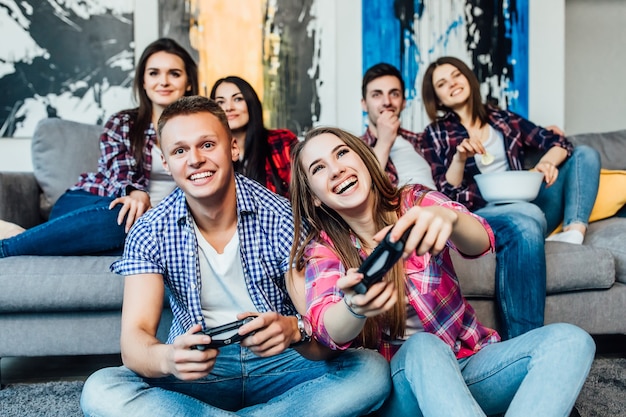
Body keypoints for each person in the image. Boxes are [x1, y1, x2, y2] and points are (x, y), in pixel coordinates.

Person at [79, 96, 390, 417]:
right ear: (165, 160)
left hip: (281, 360)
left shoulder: (281, 217)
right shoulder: (149, 230)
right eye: (180, 150)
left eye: (208, 145)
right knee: (102, 389)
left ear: (233, 148)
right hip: (201, 368)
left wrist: (294, 329)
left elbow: (319, 334)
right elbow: (134, 342)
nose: (195, 159)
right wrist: (168, 358)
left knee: (370, 371)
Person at [288, 126, 595, 417]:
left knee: (571, 341)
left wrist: (447, 218)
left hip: (467, 362)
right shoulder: (322, 249)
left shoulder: (413, 201)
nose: (336, 168)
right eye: (318, 168)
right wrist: (353, 306)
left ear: (364, 160)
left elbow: (481, 241)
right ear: (314, 196)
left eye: (342, 153)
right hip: (403, 388)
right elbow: (327, 328)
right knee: (424, 345)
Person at [359, 62, 545, 340]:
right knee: (525, 223)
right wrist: (383, 141)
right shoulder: (356, 150)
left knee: (525, 222)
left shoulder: (424, 139)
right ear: (364, 104)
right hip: (416, 226)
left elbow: (453, 182)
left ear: (404, 100)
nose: (387, 102)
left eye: (394, 94)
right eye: (377, 95)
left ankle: (523, 347)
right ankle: (522, 346)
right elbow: (364, 195)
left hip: (454, 215)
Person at [0, 37, 198, 257]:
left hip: (152, 220)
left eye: (174, 73)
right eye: (154, 73)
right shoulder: (123, 123)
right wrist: (136, 192)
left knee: (145, 231)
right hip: (87, 203)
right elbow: (119, 170)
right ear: (143, 81)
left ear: (188, 82)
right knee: (124, 217)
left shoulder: (200, 131)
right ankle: (7, 247)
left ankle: (32, 236)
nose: (164, 81)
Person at [420, 56, 601, 245]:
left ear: (468, 78)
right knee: (529, 214)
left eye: (456, 75)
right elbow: (445, 195)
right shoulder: (433, 134)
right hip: (484, 212)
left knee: (585, 154)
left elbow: (560, 142)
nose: (452, 83)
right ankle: (536, 234)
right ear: (437, 98)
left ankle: (573, 234)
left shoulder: (502, 118)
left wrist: (546, 163)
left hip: (528, 202)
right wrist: (460, 158)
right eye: (442, 84)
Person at [210, 76, 297, 197]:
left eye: (238, 99)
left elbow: (303, 190)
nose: (229, 107)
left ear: (251, 103)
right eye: (220, 102)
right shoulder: (210, 152)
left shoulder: (282, 141)